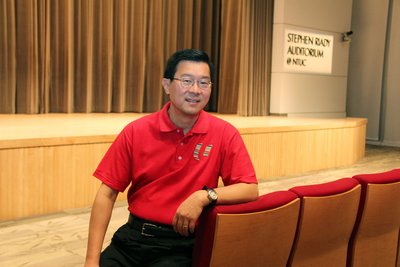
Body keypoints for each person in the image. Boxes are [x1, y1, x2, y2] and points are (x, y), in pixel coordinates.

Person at [84, 49, 259, 267]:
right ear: (167, 85)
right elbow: (106, 194)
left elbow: (250, 188)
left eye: (204, 83)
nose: (195, 90)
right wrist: (91, 261)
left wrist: (203, 197)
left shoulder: (224, 133)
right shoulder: (136, 131)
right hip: (134, 238)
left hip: (183, 245)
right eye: (187, 81)